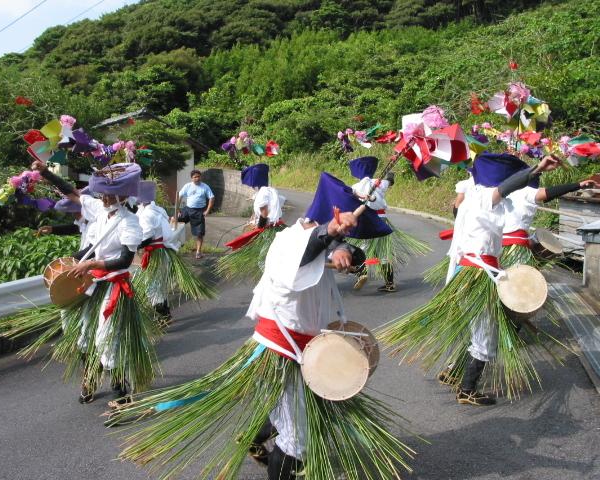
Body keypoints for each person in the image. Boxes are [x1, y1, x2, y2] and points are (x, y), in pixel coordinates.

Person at [107, 174, 414, 480]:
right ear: (326, 218)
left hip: (306, 348)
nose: (344, 237)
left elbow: (342, 250)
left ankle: (255, 438)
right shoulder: (289, 241)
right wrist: (330, 233)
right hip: (283, 351)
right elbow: (311, 246)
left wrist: (340, 248)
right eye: (340, 230)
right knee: (298, 439)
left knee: (294, 412)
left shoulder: (321, 242)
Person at [377, 152, 561, 406]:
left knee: (477, 330)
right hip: (477, 273)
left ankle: (456, 373)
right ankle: (467, 389)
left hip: (470, 272)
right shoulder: (486, 197)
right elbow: (509, 187)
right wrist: (537, 168)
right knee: (485, 336)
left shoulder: (472, 199)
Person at [32, 160, 161, 405]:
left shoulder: (129, 222)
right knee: (83, 335)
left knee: (105, 338)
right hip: (93, 284)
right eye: (102, 193)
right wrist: (45, 172)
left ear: (122, 195)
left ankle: (121, 392)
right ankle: (90, 378)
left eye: (109, 195)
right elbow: (73, 193)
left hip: (113, 285)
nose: (103, 198)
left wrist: (90, 264)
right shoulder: (100, 211)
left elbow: (124, 260)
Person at [346, 156, 431, 292]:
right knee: (384, 252)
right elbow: (390, 181)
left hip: (366, 219)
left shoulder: (355, 187)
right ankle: (390, 284)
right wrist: (391, 173)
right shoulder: (379, 183)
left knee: (362, 247)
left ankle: (362, 272)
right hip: (382, 220)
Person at [134, 180, 216, 316]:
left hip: (155, 254)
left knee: (153, 287)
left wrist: (132, 247)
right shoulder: (157, 210)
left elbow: (147, 237)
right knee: (158, 285)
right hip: (161, 252)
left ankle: (163, 315)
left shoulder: (148, 214)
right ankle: (165, 313)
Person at [217, 163, 287, 282]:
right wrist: (252, 219)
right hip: (274, 227)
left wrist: (258, 227)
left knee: (263, 259)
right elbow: (261, 211)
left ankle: (272, 282)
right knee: (267, 257)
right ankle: (272, 281)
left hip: (268, 229)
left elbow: (264, 213)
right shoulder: (268, 190)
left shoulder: (263, 192)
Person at [177, 169, 214, 259]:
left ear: (200, 177)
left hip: (199, 212)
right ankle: (171, 246)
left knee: (199, 233)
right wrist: (177, 210)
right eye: (195, 177)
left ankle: (198, 252)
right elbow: (179, 196)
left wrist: (207, 211)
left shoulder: (205, 187)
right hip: (187, 209)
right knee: (174, 221)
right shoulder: (188, 186)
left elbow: (212, 198)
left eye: (198, 176)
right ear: (191, 178)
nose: (197, 178)